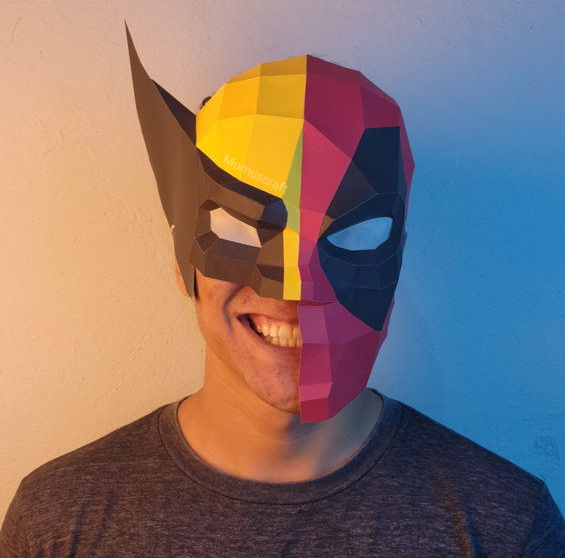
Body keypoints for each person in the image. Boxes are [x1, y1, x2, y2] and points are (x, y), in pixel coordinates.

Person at [1, 28, 564, 557]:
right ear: (183, 258)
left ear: (396, 258)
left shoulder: (508, 526)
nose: (295, 287)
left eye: (354, 232)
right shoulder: (56, 522)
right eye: (243, 230)